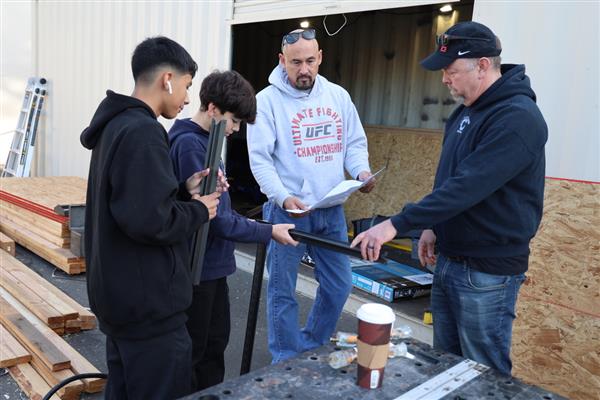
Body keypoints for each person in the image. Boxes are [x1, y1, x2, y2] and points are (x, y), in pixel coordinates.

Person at [351, 21, 548, 376]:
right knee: (446, 364)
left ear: (483, 65)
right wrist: (432, 227)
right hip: (449, 260)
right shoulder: (464, 113)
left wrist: (395, 225)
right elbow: (450, 182)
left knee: (482, 370)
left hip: (487, 271)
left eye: (452, 70)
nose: (445, 79)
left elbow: (468, 186)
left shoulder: (517, 118)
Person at [80, 36, 223, 399]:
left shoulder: (117, 125)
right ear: (168, 79)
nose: (188, 98)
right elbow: (151, 221)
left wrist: (181, 189)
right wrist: (198, 209)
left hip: (121, 299)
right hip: (148, 309)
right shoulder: (144, 131)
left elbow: (131, 202)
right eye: (188, 86)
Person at [247, 28, 375, 363]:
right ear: (282, 61)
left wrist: (361, 171)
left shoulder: (338, 97)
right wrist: (282, 196)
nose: (303, 69)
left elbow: (354, 145)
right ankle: (286, 357)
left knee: (338, 286)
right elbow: (260, 159)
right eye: (295, 62)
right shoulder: (266, 102)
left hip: (331, 210)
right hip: (288, 214)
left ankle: (312, 342)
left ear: (320, 57)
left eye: (309, 61)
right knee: (282, 291)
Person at [168, 70, 298, 390]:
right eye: (234, 121)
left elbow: (219, 210)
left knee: (212, 347)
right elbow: (219, 220)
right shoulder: (191, 146)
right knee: (199, 353)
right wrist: (269, 231)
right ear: (213, 109)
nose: (235, 130)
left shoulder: (203, 142)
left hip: (210, 268)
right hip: (199, 270)